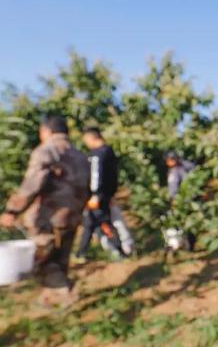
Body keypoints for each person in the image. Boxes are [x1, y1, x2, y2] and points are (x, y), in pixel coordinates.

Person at [0, 115, 90, 306]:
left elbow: (32, 184)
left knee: (40, 260)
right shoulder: (81, 156)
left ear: (46, 131)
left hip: (48, 217)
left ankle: (65, 293)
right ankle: (51, 300)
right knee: (60, 259)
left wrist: (12, 210)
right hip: (72, 216)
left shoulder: (46, 151)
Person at [75, 126, 126, 261]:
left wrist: (95, 195)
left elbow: (96, 175)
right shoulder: (109, 152)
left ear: (91, 138)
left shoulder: (97, 154)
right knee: (91, 223)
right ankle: (81, 253)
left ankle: (118, 251)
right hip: (106, 195)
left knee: (101, 223)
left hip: (98, 196)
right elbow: (113, 177)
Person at [164, 152, 196, 251]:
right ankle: (186, 244)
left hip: (182, 200)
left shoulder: (176, 171)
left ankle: (187, 244)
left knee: (185, 223)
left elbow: (173, 189)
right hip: (186, 199)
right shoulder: (183, 167)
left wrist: (173, 200)